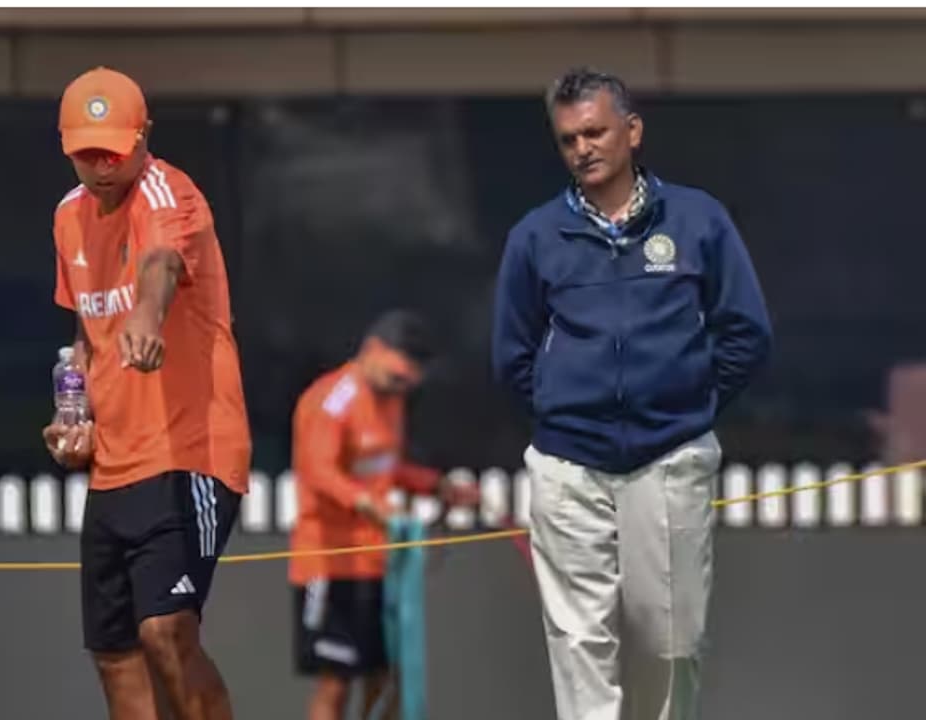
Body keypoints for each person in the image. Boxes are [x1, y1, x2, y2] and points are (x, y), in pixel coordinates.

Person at [491, 67, 772, 720]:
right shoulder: (535, 236)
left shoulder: (698, 219)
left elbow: (746, 334)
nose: (582, 148)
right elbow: (512, 356)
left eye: (595, 132)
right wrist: (565, 415)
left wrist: (686, 406)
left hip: (670, 457)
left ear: (633, 131)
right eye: (568, 139)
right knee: (579, 641)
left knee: (670, 641)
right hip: (568, 464)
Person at [40, 66, 251, 720]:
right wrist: (73, 417)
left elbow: (160, 263)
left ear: (144, 136)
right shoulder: (68, 216)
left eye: (114, 151)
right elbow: (86, 333)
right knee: (115, 653)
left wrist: (146, 315)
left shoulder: (167, 190)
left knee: (167, 632)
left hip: (188, 452)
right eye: (86, 153)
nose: (102, 167)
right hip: (113, 465)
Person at [289, 310, 480, 720]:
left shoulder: (391, 400)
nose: (401, 386)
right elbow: (317, 470)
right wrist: (365, 503)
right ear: (373, 350)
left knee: (389, 678)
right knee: (335, 682)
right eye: (397, 375)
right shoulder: (334, 399)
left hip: (379, 562)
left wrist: (438, 486)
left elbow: (387, 469)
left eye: (408, 381)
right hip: (330, 562)